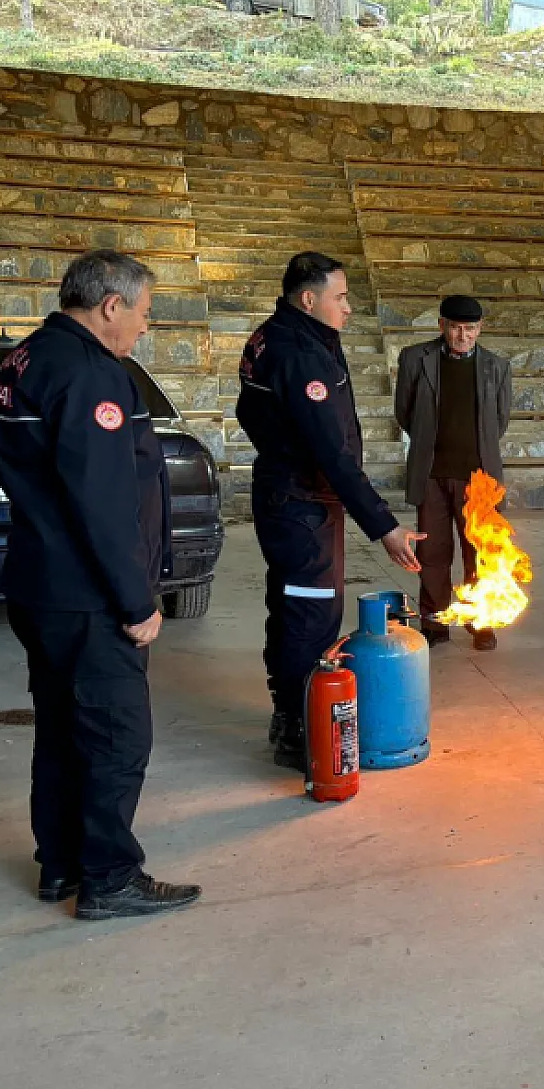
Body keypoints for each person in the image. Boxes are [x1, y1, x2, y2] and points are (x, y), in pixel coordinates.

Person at [0, 249, 201, 920]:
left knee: (61, 727)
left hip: (39, 581)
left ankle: (61, 864)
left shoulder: (26, 358)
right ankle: (108, 877)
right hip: (88, 594)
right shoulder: (91, 376)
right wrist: (138, 601)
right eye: (142, 313)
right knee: (116, 734)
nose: (143, 327)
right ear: (111, 305)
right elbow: (102, 501)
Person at [237, 252, 422, 767]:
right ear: (308, 298)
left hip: (291, 493)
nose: (349, 306)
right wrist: (383, 526)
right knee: (312, 617)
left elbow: (248, 411)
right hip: (303, 504)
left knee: (294, 605)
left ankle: (289, 713)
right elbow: (331, 454)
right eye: (340, 297)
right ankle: (301, 732)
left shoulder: (278, 336)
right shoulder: (299, 355)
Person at [394, 294, 513, 651]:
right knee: (433, 553)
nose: (463, 336)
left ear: (480, 329)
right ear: (442, 325)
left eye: (471, 329)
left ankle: (482, 620)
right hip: (431, 473)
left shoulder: (497, 366)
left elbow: (500, 421)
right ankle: (434, 622)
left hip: (478, 479)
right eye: (456, 328)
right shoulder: (416, 359)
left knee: (479, 551)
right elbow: (405, 411)